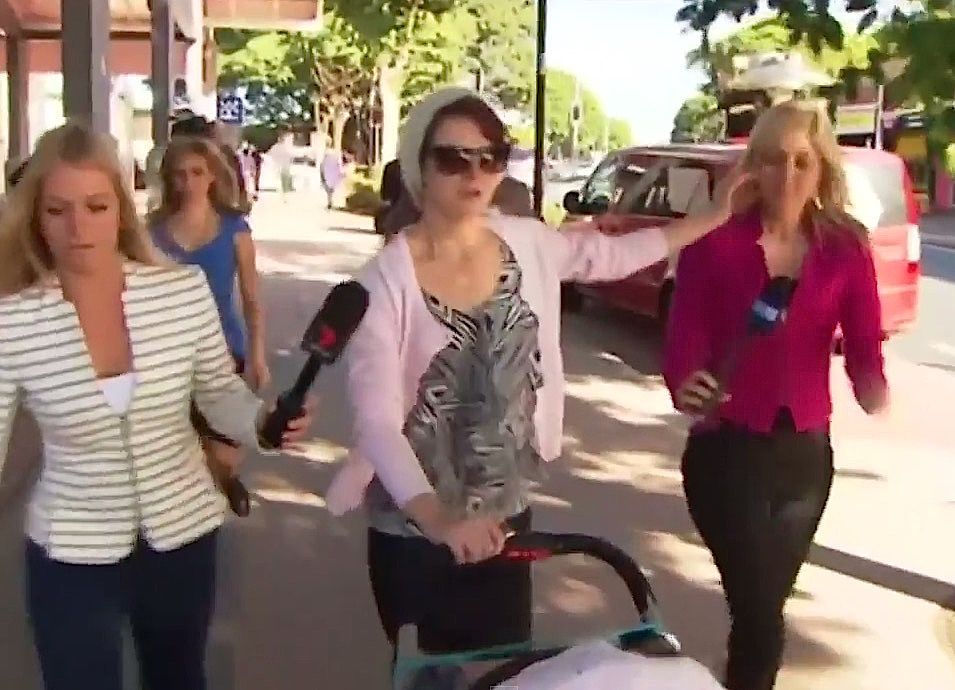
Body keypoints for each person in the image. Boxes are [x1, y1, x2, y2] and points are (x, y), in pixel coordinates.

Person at [325, 87, 752, 654]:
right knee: (432, 677)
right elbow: (378, 424)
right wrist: (440, 522)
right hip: (415, 530)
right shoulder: (381, 282)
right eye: (453, 158)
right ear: (418, 168)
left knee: (505, 669)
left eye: (491, 157)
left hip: (505, 519)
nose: (474, 173)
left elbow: (613, 255)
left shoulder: (525, 241)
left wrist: (715, 215)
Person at [0, 121, 312, 690]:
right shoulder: (15, 320)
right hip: (71, 548)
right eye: (57, 210)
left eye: (95, 206)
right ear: (34, 218)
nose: (78, 228)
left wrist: (261, 423)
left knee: (177, 678)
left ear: (120, 208)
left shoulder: (179, 292)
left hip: (182, 534)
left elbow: (218, 393)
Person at [663, 101, 888, 690]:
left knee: (760, 616)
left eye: (801, 161)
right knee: (760, 617)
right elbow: (683, 336)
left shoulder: (845, 247)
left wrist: (873, 384)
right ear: (752, 167)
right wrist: (685, 380)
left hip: (805, 463)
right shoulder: (714, 244)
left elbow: (865, 342)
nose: (786, 176)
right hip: (725, 456)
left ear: (821, 169)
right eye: (771, 160)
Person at [149, 136, 269, 518]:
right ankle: (191, 513)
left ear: (213, 177)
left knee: (226, 450)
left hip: (222, 350)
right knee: (173, 447)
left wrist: (257, 355)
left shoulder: (235, 229)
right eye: (179, 174)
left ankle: (221, 476)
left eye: (197, 172)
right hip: (165, 354)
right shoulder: (151, 231)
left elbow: (251, 300)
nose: (188, 182)